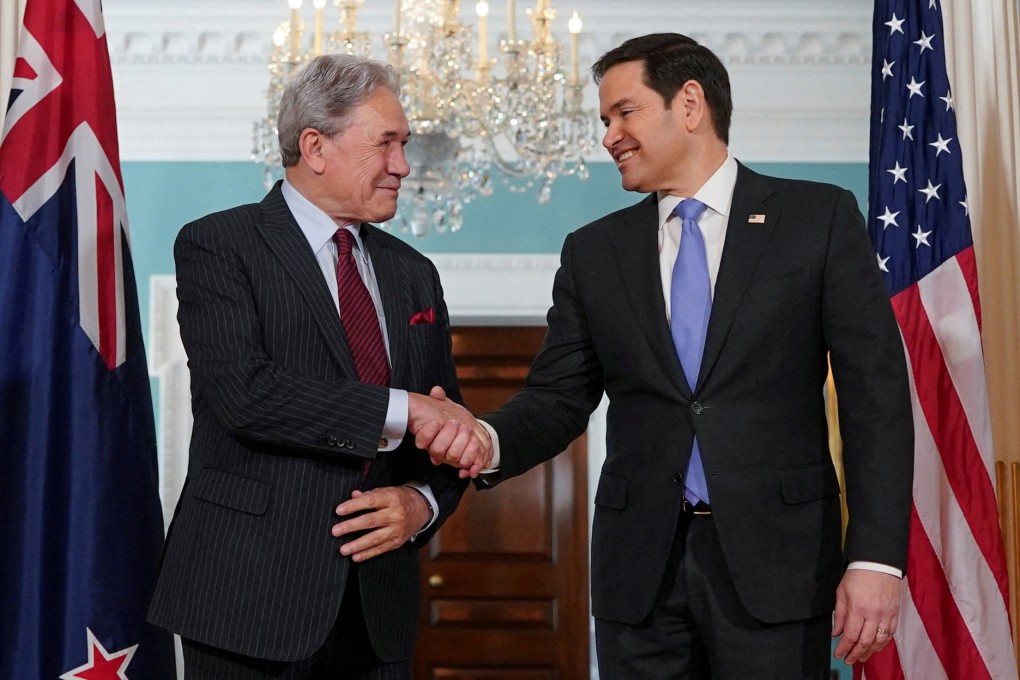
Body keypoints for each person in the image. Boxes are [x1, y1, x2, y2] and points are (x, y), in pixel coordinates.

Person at [417, 33, 914, 679]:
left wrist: (875, 560)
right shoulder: (594, 252)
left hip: (779, 566)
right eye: (604, 120)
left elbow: (876, 400)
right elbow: (558, 397)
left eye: (624, 112)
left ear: (690, 104)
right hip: (638, 575)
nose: (609, 136)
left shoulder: (816, 219)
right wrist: (484, 438)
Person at [147, 54, 483, 679]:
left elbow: (447, 427)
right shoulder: (219, 245)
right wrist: (405, 409)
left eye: (404, 145)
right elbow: (246, 395)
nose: (404, 165)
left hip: (378, 610)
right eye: (386, 143)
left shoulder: (414, 274)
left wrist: (421, 504)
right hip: (246, 600)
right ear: (315, 146)